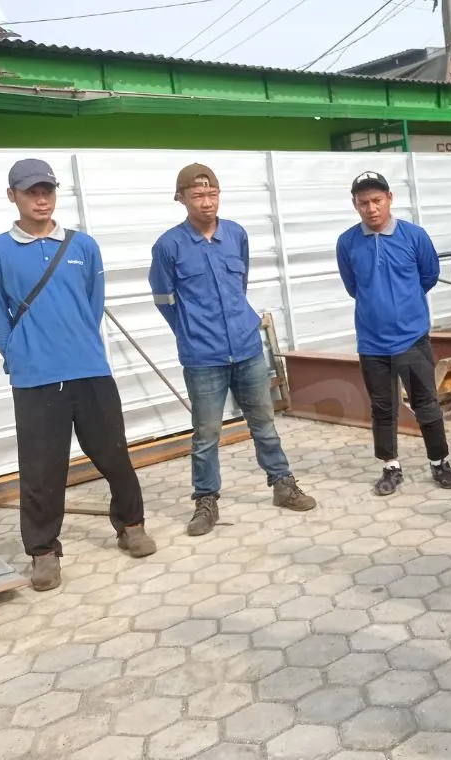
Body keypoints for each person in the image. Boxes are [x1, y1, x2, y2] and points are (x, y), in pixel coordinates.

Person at [0, 159, 157, 592]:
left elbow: (93, 306)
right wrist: (18, 354)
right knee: (41, 469)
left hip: (89, 369)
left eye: (48, 191)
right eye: (30, 191)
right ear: (12, 196)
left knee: (113, 453)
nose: (41, 199)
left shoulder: (83, 246)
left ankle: (131, 525)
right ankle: (42, 552)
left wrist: (78, 344)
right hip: (35, 379)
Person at [149, 163, 316, 537]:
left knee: (265, 423)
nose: (206, 203)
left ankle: (283, 485)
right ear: (182, 199)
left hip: (246, 347)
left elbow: (240, 284)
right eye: (197, 196)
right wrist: (190, 332)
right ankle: (206, 501)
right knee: (206, 433)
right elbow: (163, 298)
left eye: (212, 195)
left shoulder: (236, 234)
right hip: (202, 356)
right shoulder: (168, 246)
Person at [336, 171, 451, 495]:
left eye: (377, 200)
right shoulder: (347, 243)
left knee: (426, 403)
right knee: (382, 406)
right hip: (372, 342)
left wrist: (404, 307)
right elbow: (353, 287)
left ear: (390, 198)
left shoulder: (414, 236)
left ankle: (440, 463)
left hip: (412, 338)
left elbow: (429, 275)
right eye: (363, 202)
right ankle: (390, 467)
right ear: (355, 204)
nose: (371, 208)